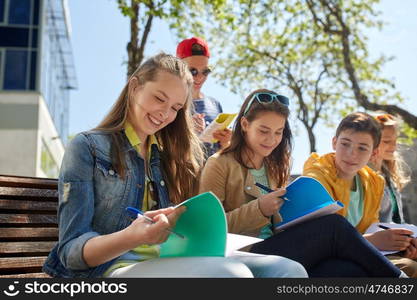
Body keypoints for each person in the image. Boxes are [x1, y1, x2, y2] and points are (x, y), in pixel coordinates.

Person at [42, 53, 307, 278]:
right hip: (114, 267)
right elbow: (70, 254)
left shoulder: (170, 155)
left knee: (288, 270)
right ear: (134, 87)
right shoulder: (88, 147)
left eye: (176, 108)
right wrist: (133, 237)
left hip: (173, 257)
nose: (165, 114)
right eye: (159, 99)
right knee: (230, 275)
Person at [199, 90, 403, 277]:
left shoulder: (274, 167)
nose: (271, 139)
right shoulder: (219, 164)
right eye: (264, 131)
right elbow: (207, 230)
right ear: (244, 125)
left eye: (278, 132)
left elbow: (281, 225)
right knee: (334, 226)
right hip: (243, 252)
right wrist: (259, 209)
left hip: (277, 246)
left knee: (350, 271)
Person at [302, 112, 412, 277]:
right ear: (334, 142)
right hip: (323, 261)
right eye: (345, 144)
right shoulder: (317, 178)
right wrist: (371, 241)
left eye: (362, 148)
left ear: (374, 153)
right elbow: (321, 241)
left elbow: (372, 228)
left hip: (361, 254)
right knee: (406, 269)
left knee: (410, 264)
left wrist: (402, 244)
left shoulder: (374, 183)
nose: (351, 153)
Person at [369, 112, 417, 277]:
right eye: (387, 141)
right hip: (379, 247)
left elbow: (399, 222)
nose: (394, 147)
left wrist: (409, 243)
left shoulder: (390, 176)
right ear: (372, 142)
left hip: (397, 246)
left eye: (395, 142)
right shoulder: (364, 176)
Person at [176, 37, 232, 157]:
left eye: (205, 71)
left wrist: (226, 142)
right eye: (193, 71)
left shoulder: (215, 105)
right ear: (179, 68)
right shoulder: (172, 104)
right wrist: (190, 133)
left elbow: (222, 154)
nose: (200, 77)